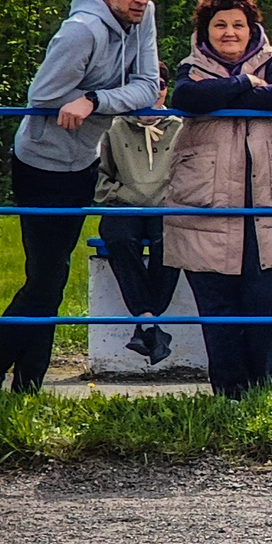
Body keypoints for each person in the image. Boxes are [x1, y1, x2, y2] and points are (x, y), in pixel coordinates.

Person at [0, 0, 163, 398]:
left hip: (83, 159)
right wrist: (94, 97)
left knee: (51, 276)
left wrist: (93, 99)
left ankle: (22, 384)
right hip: (41, 163)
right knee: (45, 280)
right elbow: (43, 95)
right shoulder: (82, 31)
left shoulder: (142, 18)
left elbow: (148, 85)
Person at [166, 0, 272, 399]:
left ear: (252, 29)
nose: (230, 32)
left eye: (238, 25)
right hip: (206, 209)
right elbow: (187, 97)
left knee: (269, 305)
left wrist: (223, 92)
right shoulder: (190, 66)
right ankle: (229, 394)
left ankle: (259, 390)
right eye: (220, 25)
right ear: (205, 30)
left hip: (271, 208)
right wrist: (246, 82)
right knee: (218, 309)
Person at [96, 88, 182, 366]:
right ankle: (150, 324)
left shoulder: (181, 126)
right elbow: (102, 171)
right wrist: (117, 194)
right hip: (125, 203)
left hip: (168, 206)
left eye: (158, 86)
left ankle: (145, 323)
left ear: (165, 91)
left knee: (170, 240)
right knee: (118, 238)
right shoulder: (114, 126)